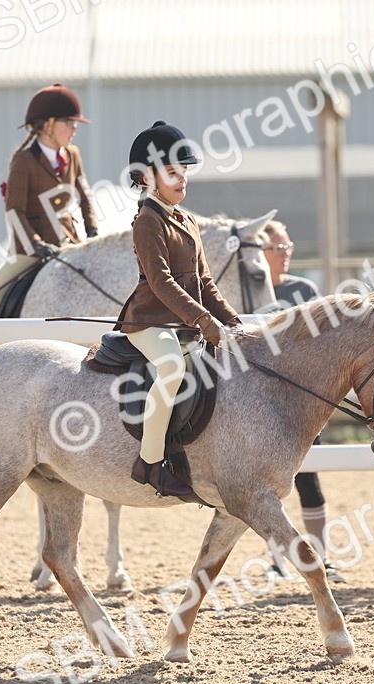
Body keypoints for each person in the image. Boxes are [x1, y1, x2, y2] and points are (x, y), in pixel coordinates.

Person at [116, 121, 243, 497]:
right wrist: (202, 320)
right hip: (149, 321)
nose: (182, 179)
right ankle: (150, 462)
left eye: (184, 172)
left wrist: (234, 323)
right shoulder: (147, 221)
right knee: (171, 367)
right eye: (172, 172)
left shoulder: (186, 220)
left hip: (183, 321)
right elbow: (161, 283)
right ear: (146, 176)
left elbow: (205, 282)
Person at [259, 220, 345, 583]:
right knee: (263, 483)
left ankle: (322, 555)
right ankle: (277, 561)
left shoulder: (304, 288)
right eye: (277, 247)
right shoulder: (249, 291)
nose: (285, 253)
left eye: (287, 245)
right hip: (260, 401)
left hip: (301, 401)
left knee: (309, 481)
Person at [3, 83, 99, 257]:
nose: (74, 130)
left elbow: (85, 197)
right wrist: (35, 243)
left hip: (68, 243)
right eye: (69, 123)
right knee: (5, 285)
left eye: (75, 124)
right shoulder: (23, 161)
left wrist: (92, 229)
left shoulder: (73, 154)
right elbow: (14, 212)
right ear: (47, 125)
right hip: (29, 253)